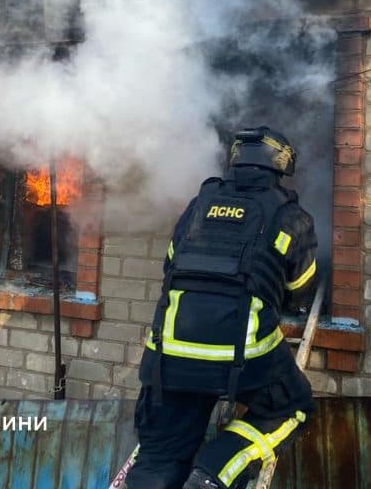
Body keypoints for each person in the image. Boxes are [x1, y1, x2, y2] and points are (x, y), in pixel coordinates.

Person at [125, 126, 318, 489]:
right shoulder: (291, 216)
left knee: (161, 455)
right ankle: (212, 473)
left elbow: (171, 265)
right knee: (292, 405)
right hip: (241, 358)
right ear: (281, 164)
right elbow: (301, 288)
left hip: (169, 356)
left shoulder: (199, 205)